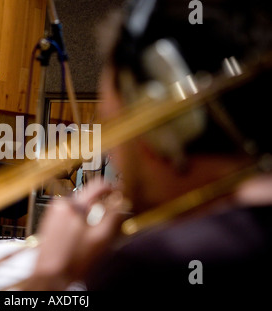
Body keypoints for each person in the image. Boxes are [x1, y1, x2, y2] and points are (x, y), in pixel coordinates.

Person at [18, 0, 272, 291]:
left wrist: (48, 281)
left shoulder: (152, 263)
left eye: (117, 126)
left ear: (165, 126)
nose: (113, 152)